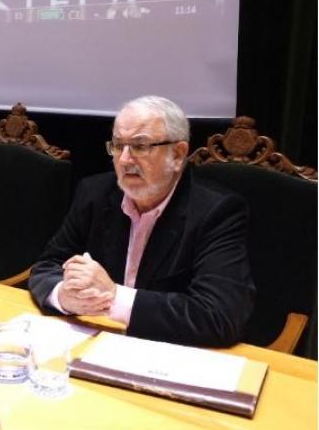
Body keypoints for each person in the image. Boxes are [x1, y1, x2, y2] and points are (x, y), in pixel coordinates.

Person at [28, 96, 255, 347]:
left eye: (140, 146)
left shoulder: (216, 212)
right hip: (96, 342)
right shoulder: (94, 193)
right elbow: (47, 265)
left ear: (178, 154)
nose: (124, 159)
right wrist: (63, 296)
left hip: (169, 353)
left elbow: (218, 316)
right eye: (118, 146)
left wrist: (114, 298)